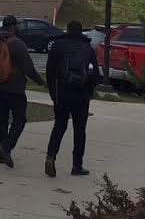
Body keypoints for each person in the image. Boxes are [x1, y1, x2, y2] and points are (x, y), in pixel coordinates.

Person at [0, 15, 47, 169]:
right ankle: (6, 148)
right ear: (13, 27)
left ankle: (3, 153)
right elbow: (29, 69)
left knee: (2, 121)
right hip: (15, 89)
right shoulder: (18, 44)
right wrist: (42, 82)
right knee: (20, 119)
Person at [45, 20, 102, 178]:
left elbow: (50, 72)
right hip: (81, 96)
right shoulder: (87, 48)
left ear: (68, 31)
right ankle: (77, 165)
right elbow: (95, 74)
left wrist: (53, 93)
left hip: (62, 94)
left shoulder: (58, 46)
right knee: (80, 130)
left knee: (59, 126)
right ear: (81, 31)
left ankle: (50, 156)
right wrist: (89, 91)